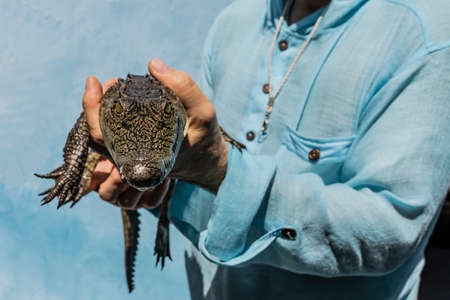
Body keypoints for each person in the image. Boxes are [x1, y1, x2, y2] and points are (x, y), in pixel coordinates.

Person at [81, 0, 450, 299]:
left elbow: (390, 227)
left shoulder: (424, 35)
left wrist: (220, 171)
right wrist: (153, 176)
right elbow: (198, 167)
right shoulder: (234, 22)